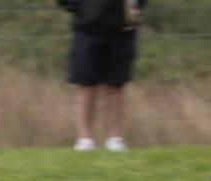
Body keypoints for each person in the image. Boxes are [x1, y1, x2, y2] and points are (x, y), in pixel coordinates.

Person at [58, 0, 146, 152]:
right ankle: (85, 139)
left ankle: (114, 138)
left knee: (116, 84)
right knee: (86, 84)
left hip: (123, 30)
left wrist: (134, 8)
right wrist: (83, 10)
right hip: (86, 29)